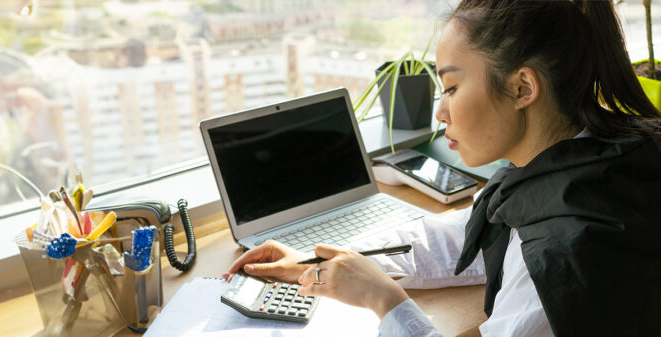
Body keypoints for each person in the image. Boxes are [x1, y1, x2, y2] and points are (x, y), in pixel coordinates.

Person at [224, 0, 661, 336]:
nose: (440, 113)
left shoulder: (563, 256)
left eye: (451, 87)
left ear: (523, 87)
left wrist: (385, 300)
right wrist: (314, 260)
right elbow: (463, 235)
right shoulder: (597, 158)